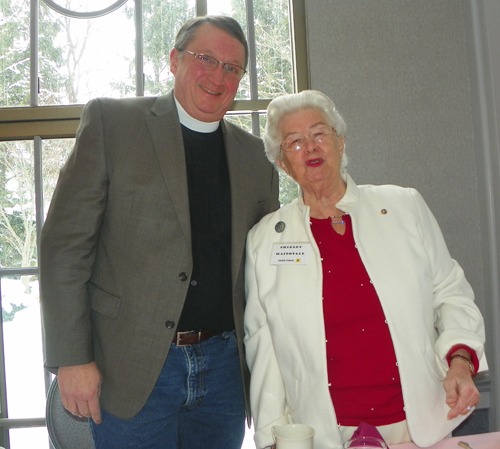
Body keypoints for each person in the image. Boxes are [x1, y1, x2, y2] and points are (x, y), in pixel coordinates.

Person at [40, 15, 279, 449]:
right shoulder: (113, 124)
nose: (217, 75)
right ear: (174, 60)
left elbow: (267, 264)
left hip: (225, 371)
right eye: (206, 58)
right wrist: (72, 358)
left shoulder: (256, 159)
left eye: (232, 68)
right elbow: (64, 248)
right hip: (131, 367)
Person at [244, 90, 487, 449]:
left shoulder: (404, 207)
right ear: (282, 163)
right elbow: (263, 348)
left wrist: (462, 360)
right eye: (294, 142)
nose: (310, 147)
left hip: (419, 425)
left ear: (340, 144)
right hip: (323, 433)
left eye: (319, 134)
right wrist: (272, 438)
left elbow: (450, 292)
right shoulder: (265, 240)